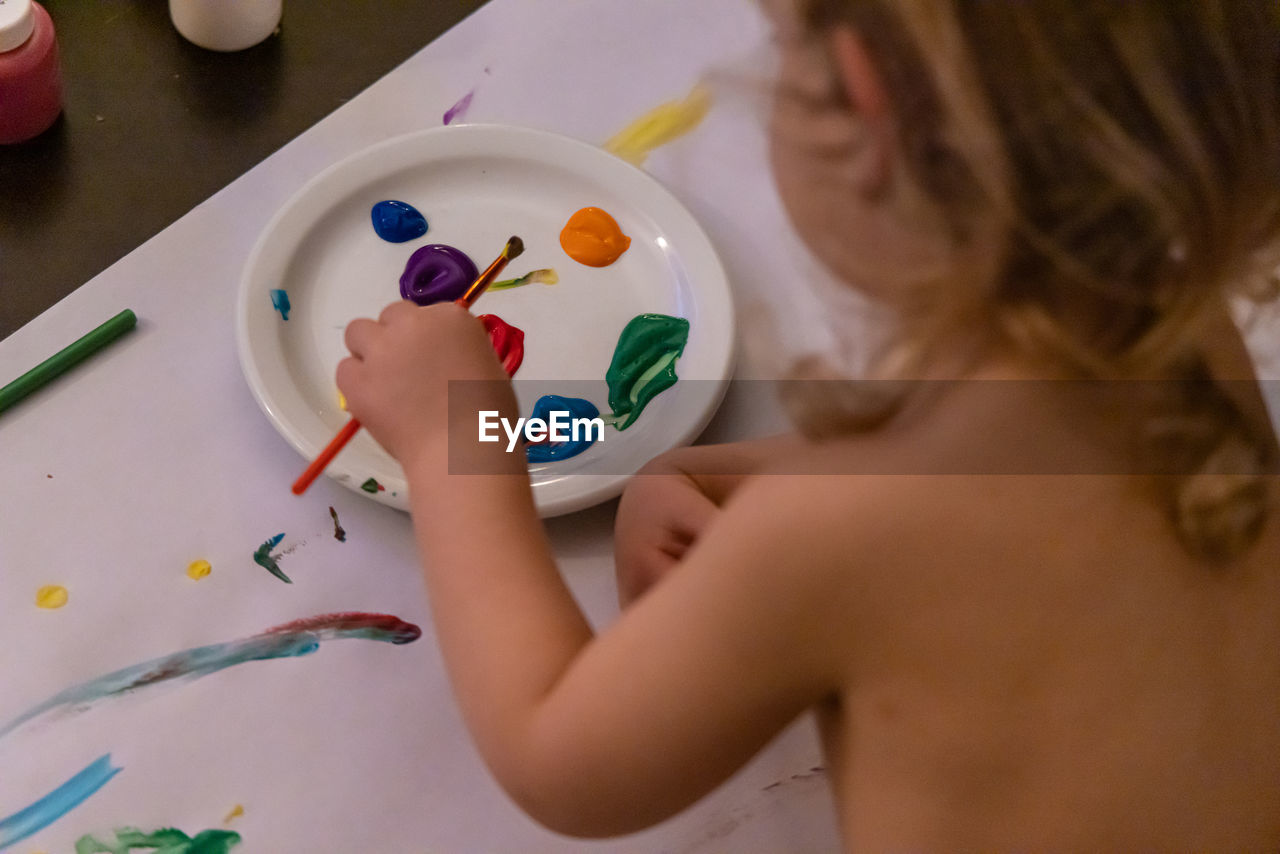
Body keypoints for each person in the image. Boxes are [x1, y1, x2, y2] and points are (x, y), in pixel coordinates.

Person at [336, 0, 1280, 847]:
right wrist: (722, 475)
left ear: (864, 109)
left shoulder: (841, 532)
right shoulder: (1194, 349)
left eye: (782, 43)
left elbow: (555, 752)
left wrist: (449, 443)